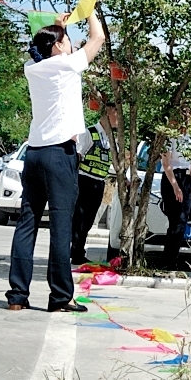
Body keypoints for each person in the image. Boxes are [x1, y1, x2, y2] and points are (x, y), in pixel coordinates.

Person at [6, 9, 107, 312]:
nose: (72, 44)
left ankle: (17, 296)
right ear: (60, 46)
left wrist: (59, 28)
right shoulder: (67, 65)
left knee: (27, 223)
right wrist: (89, 10)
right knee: (62, 226)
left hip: (35, 153)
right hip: (59, 154)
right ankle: (61, 296)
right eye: (66, 41)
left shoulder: (32, 67)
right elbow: (98, 37)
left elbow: (46, 48)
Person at [71, 101, 120, 265]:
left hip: (99, 183)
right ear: (107, 114)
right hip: (84, 180)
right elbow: (77, 156)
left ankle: (78, 249)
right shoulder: (89, 133)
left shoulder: (111, 139)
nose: (119, 118)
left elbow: (115, 163)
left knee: (89, 220)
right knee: (79, 218)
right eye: (116, 113)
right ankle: (76, 252)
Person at [160, 127, 191, 269]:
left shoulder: (190, 138)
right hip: (173, 178)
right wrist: (175, 186)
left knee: (182, 222)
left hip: (186, 179)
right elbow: (166, 163)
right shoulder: (170, 137)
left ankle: (172, 259)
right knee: (177, 221)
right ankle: (168, 261)